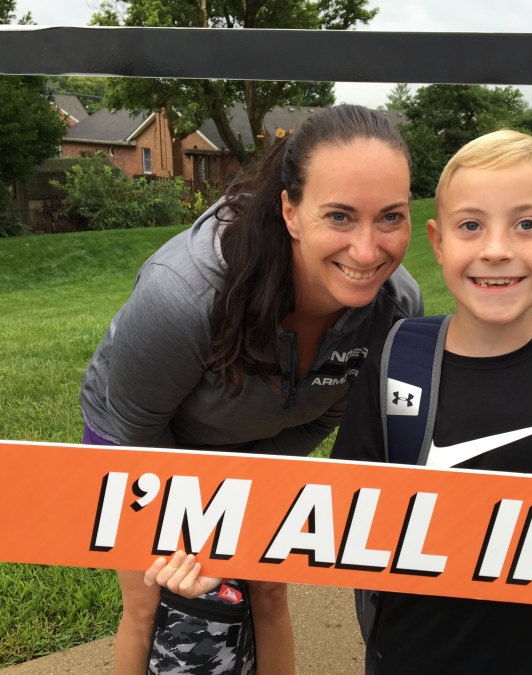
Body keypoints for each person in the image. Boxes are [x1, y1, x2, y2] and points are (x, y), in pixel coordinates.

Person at [148, 129, 532, 675]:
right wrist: (218, 549)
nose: (497, 248)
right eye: (471, 225)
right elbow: (333, 511)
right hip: (407, 652)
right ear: (439, 241)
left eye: (527, 225)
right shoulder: (394, 358)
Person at [78, 104, 423, 675]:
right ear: (290, 210)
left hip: (259, 445)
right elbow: (135, 426)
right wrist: (197, 515)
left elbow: (323, 415)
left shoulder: (395, 306)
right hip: (143, 438)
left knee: (268, 591)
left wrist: (246, 492)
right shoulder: (183, 294)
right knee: (154, 602)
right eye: (339, 216)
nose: (368, 251)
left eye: (391, 217)